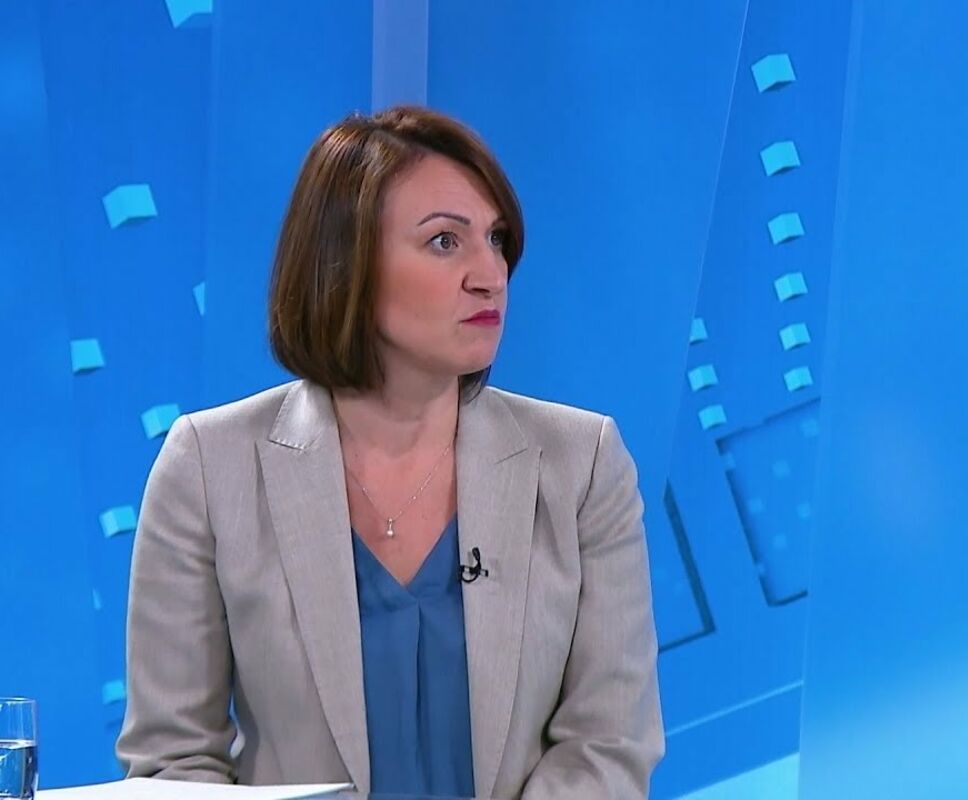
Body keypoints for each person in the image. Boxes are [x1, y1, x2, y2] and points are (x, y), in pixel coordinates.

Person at [115, 105, 664, 800]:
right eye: (445, 241)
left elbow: (609, 745)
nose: (490, 274)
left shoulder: (581, 464)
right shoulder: (207, 466)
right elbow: (172, 761)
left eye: (497, 240)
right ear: (345, 265)